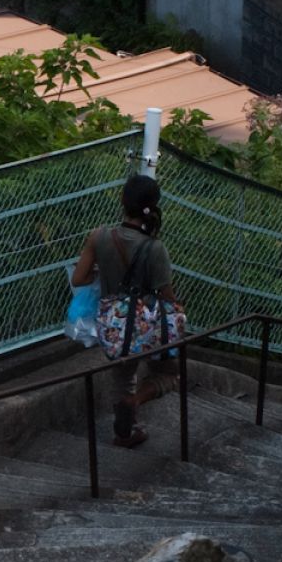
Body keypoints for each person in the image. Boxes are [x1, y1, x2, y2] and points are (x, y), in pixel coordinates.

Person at [68, 173, 185, 448]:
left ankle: (125, 432)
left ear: (122, 201)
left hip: (113, 323)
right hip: (147, 324)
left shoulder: (99, 236)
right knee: (170, 374)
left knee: (122, 376)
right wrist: (179, 306)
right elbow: (166, 295)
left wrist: (103, 271)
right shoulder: (155, 248)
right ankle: (134, 403)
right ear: (153, 206)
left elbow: (79, 279)